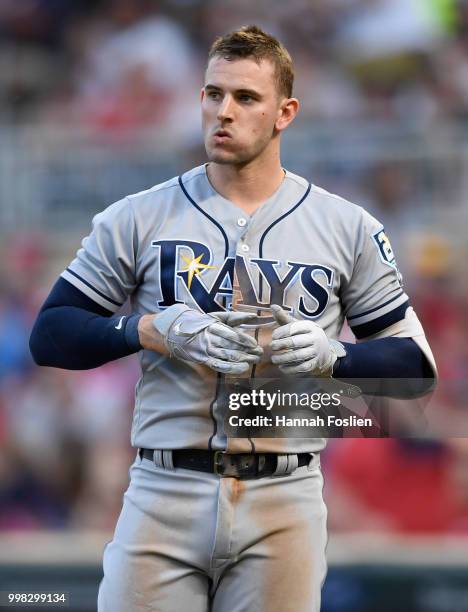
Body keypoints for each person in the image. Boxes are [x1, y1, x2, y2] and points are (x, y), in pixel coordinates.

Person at [30, 25, 437, 612]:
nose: (224, 112)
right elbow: (51, 334)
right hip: (163, 488)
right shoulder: (138, 216)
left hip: (285, 495)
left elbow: (416, 367)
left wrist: (334, 357)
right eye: (213, 93)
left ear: (284, 113)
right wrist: (151, 329)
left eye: (246, 98)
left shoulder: (346, 226)